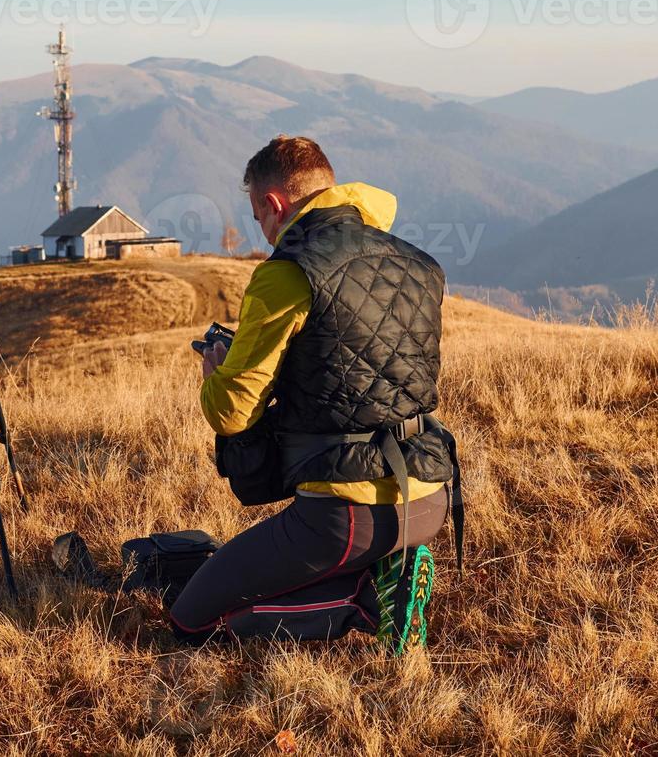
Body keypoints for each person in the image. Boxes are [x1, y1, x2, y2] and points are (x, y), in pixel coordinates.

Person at [169, 135, 462, 653]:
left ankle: (367, 601)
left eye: (259, 219)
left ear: (274, 204)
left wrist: (218, 373)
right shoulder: (417, 261)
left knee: (193, 621)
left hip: (344, 517)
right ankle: (391, 566)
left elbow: (232, 414)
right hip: (429, 498)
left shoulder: (286, 274)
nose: (263, 234)